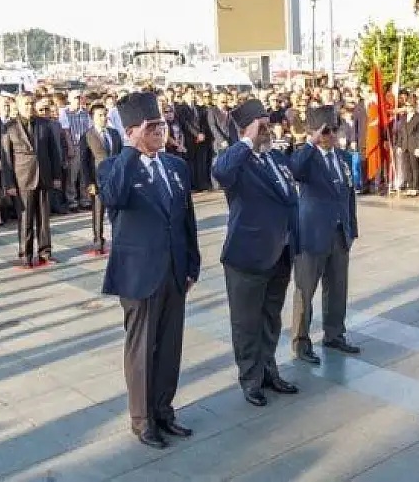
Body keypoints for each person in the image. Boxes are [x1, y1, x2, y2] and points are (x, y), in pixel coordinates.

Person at [98, 91, 200, 450]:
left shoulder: (175, 166)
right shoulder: (114, 167)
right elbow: (114, 197)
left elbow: (186, 219)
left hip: (174, 271)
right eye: (151, 127)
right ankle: (142, 420)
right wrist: (130, 149)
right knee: (141, 349)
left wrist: (192, 264)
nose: (160, 132)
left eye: (161, 125)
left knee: (170, 346)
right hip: (139, 274)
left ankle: (164, 410)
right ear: (131, 131)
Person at [212, 99, 300, 408]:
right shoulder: (235, 161)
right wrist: (247, 139)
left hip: (280, 252)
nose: (267, 132)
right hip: (247, 255)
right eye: (261, 127)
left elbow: (290, 197)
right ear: (247, 129)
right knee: (246, 323)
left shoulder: (274, 158)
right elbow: (221, 173)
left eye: (267, 125)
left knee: (270, 318)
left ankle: (269, 370)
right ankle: (250, 379)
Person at [289, 105, 360, 365]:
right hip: (312, 235)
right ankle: (300, 341)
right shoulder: (305, 157)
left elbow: (349, 195)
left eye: (334, 129)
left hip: (339, 234)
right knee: (305, 291)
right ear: (314, 132)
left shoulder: (341, 157)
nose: (331, 135)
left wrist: (351, 229)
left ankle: (334, 333)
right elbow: (295, 170)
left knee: (337, 288)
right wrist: (310, 143)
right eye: (326, 131)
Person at [1, 93, 62, 267]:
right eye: (25, 104)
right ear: (18, 106)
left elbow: (53, 152)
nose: (29, 107)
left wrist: (56, 176)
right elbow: (6, 159)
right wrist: (9, 183)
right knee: (25, 219)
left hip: (43, 176)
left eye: (31, 104)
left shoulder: (44, 124)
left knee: (44, 219)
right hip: (23, 179)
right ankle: (25, 254)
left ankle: (45, 252)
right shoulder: (9, 127)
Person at [78, 103, 122, 254]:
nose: (103, 118)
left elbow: (121, 156)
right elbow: (83, 161)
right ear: (92, 118)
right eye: (100, 115)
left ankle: (118, 238)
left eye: (105, 115)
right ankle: (98, 241)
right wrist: (89, 182)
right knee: (98, 211)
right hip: (97, 179)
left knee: (116, 210)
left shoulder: (114, 133)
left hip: (115, 179)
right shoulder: (87, 136)